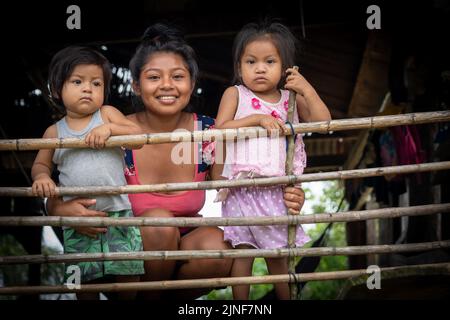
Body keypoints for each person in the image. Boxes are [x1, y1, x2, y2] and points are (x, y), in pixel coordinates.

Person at [47, 24, 307, 300]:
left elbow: (242, 179)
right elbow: (64, 175)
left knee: (219, 244)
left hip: (184, 257)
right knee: (158, 224)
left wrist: (288, 192)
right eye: (154, 77)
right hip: (123, 258)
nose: (167, 85)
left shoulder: (209, 133)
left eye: (178, 76)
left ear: (192, 84)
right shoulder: (112, 131)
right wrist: (57, 207)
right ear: (136, 85)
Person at [215, 21, 332, 300]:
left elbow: (324, 123)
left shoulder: (290, 99)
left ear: (284, 68)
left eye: (270, 61)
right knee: (242, 255)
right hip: (242, 190)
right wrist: (256, 118)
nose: (260, 68)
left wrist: (306, 89)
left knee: (278, 258)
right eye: (251, 61)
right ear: (238, 66)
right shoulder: (235, 94)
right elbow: (220, 130)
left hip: (278, 191)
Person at [32, 46, 144, 299]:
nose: (87, 88)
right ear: (57, 89)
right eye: (77, 81)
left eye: (96, 83)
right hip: (78, 219)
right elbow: (41, 165)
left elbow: (138, 138)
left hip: (119, 212)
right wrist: (41, 177)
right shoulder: (54, 132)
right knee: (84, 282)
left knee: (129, 275)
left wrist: (111, 130)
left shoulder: (106, 115)